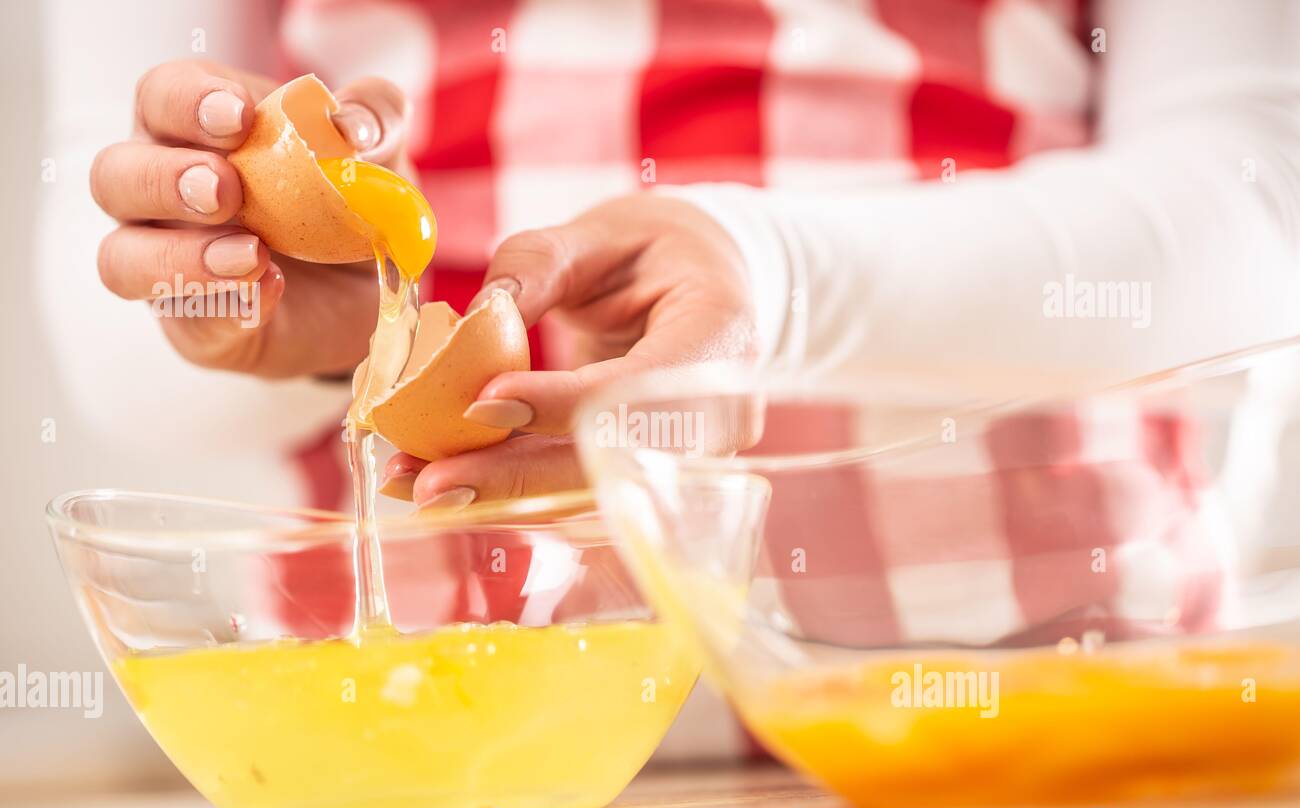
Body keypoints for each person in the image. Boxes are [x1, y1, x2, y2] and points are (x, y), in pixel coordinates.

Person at [73, 0, 1300, 747]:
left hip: (1030, 697)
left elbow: (1263, 204)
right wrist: (264, 301)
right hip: (428, 740)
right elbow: (116, 354)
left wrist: (777, 276)